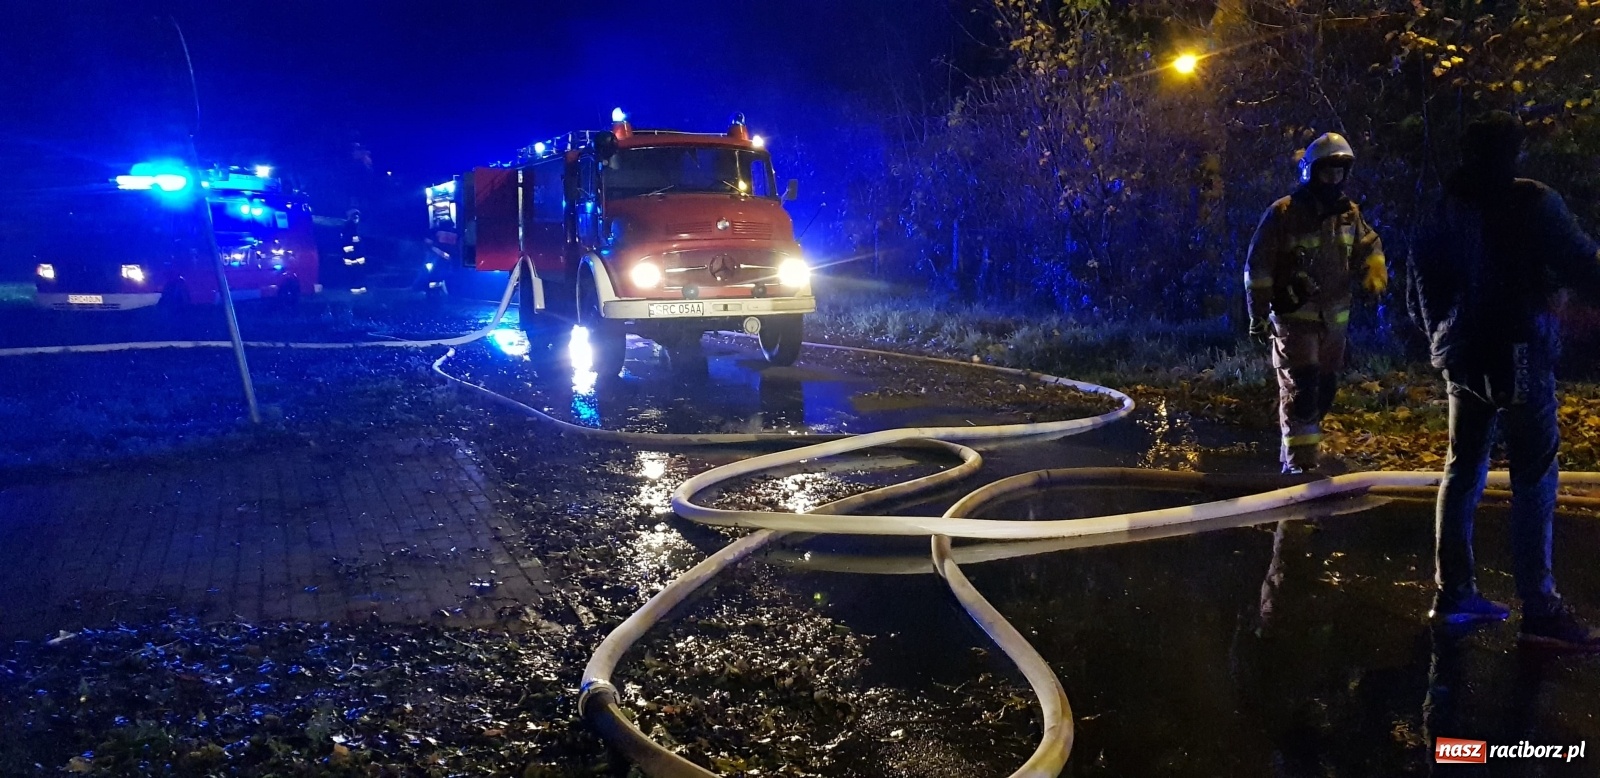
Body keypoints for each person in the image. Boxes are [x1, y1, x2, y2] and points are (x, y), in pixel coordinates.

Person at [1408, 111, 1600, 649]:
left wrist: (1444, 344)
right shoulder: (1533, 201)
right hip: (1519, 353)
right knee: (1535, 473)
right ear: (1512, 151)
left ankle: (1454, 594)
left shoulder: (1442, 209)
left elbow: (1417, 290)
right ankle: (1540, 609)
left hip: (1462, 359)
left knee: (1463, 466)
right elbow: (1584, 266)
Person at [1244, 132, 1389, 474]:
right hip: (1295, 320)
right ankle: (1300, 470)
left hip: (1334, 325)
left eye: (1339, 173)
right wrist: (1258, 314)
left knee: (1323, 391)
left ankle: (1296, 459)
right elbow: (1258, 267)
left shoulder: (1349, 214)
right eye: (1327, 172)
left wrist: (1375, 266)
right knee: (1302, 389)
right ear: (1311, 172)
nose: (1333, 179)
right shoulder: (1284, 213)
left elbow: (1369, 245)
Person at [340, 208, 367, 295]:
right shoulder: (348, 226)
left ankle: (359, 286)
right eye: (354, 216)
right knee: (352, 271)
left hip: (357, 253)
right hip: (351, 253)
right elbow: (346, 239)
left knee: (358, 270)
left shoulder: (356, 226)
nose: (356, 217)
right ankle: (353, 287)